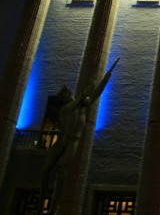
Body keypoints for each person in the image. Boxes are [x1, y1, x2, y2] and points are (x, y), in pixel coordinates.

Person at [39, 58, 119, 214]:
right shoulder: (66, 107)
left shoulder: (81, 104)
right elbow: (79, 100)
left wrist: (106, 78)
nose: (70, 94)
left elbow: (94, 95)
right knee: (45, 170)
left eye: (70, 92)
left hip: (73, 141)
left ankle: (54, 206)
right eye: (68, 93)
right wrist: (86, 91)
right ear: (64, 98)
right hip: (61, 140)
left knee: (62, 168)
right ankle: (41, 201)